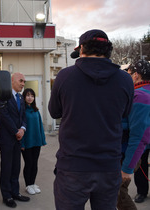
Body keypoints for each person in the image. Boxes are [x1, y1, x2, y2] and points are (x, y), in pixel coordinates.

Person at [48, 29, 134, 210]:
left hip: (73, 165)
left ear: (81, 50)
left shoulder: (65, 76)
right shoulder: (125, 80)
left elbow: (55, 112)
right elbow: (125, 113)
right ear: (108, 50)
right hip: (109, 166)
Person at [118, 59, 150, 209]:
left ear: (136, 75)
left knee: (118, 193)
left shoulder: (140, 96)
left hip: (132, 151)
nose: (128, 77)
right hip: (137, 148)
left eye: (129, 74)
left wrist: (127, 168)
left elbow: (139, 136)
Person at [0, 72, 30, 208]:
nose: (23, 84)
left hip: (17, 137)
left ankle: (15, 192)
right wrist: (16, 131)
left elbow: (23, 117)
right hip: (6, 138)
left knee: (16, 167)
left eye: (24, 81)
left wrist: (22, 129)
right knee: (7, 167)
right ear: (13, 81)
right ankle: (7, 196)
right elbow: (4, 116)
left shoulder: (21, 98)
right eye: (21, 81)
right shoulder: (3, 96)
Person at [21, 88, 46, 195]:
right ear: (24, 97)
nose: (30, 98)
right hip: (26, 143)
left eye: (32, 96)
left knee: (35, 163)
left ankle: (32, 183)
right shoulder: (21, 111)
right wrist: (21, 143)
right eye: (28, 95)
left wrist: (42, 140)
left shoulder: (36, 110)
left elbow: (40, 126)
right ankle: (28, 185)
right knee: (29, 163)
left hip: (36, 142)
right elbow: (20, 128)